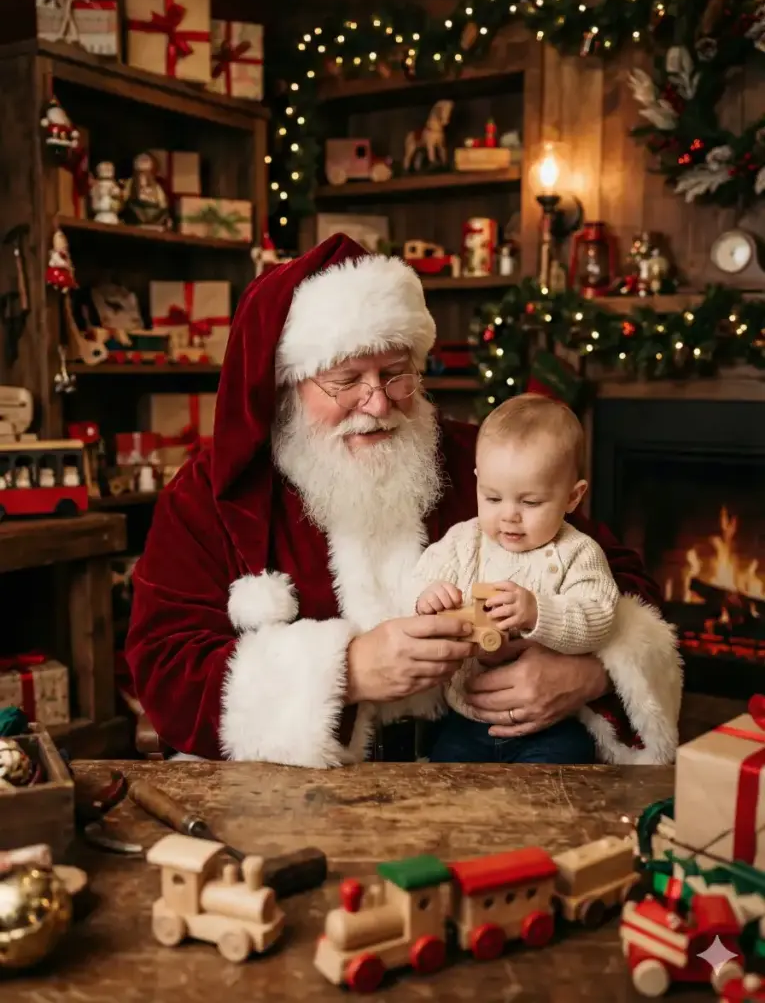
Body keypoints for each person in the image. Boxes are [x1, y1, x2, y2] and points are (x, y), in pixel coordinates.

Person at [125, 234, 683, 767]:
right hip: (302, 795)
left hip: (483, 771)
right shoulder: (210, 494)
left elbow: (622, 583)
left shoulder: (482, 465)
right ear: (287, 386)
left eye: (395, 374)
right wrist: (346, 670)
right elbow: (164, 668)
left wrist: (587, 672)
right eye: (347, 380)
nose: (377, 403)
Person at [414, 394, 628, 764]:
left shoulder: (577, 552)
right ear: (478, 482)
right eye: (493, 498)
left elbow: (601, 617)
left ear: (572, 497)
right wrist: (428, 597)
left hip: (550, 726)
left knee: (565, 769)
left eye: (530, 503)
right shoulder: (463, 542)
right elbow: (419, 579)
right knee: (444, 777)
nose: (509, 516)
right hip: (466, 719)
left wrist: (538, 612)